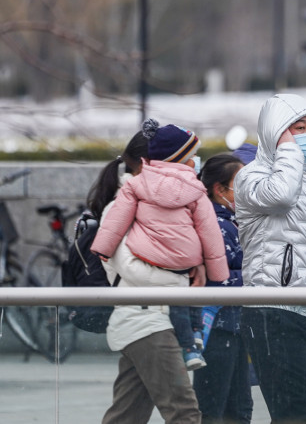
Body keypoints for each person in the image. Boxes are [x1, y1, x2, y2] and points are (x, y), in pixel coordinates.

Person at [234, 93, 306, 424]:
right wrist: (287, 148)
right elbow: (281, 197)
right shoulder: (251, 177)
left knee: (301, 415)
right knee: (297, 416)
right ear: (276, 131)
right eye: (298, 128)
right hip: (274, 312)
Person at [91, 118, 229, 370]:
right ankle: (194, 335)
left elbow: (114, 227)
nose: (195, 162)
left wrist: (102, 248)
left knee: (131, 397)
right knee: (181, 399)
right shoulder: (195, 190)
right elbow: (210, 233)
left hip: (154, 312)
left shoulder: (135, 188)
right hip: (146, 322)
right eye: (191, 157)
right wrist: (211, 275)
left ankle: (193, 338)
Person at [88, 131, 203, 424]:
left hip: (153, 321)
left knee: (127, 415)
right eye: (184, 160)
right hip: (146, 322)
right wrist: (181, 279)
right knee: (184, 412)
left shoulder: (164, 206)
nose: (191, 166)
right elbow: (128, 268)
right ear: (150, 164)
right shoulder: (120, 207)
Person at [193, 153, 254, 424]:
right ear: (219, 189)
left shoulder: (231, 221)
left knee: (238, 406)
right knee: (214, 406)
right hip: (217, 327)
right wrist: (258, 276)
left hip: (234, 326)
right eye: (241, 185)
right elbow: (218, 278)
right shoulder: (214, 225)